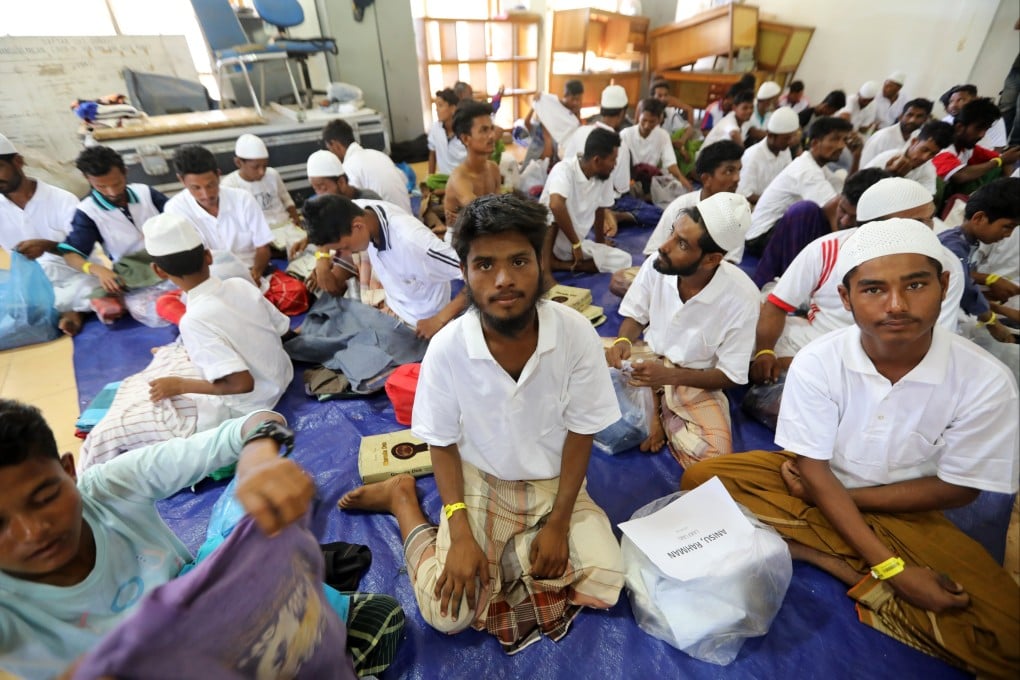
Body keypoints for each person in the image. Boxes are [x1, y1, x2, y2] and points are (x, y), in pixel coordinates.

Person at [682, 219, 1020, 678]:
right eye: (874, 290)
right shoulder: (819, 362)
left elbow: (957, 490)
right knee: (702, 478)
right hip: (819, 483)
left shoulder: (986, 381)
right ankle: (834, 560)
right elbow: (813, 468)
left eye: (915, 285)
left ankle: (815, 549)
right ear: (846, 299)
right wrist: (893, 569)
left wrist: (845, 502)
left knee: (1007, 640)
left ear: (943, 287)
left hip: (912, 508)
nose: (896, 305)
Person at [338, 194, 625, 654]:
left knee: (609, 579)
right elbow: (444, 445)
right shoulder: (449, 348)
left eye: (518, 261)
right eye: (485, 265)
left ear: (539, 263)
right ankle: (404, 503)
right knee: (447, 614)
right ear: (466, 273)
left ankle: (519, 550)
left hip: (554, 482)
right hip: (480, 481)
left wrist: (559, 521)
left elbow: (581, 432)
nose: (504, 279)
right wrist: (460, 529)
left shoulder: (574, 334)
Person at [0, 401, 405, 679]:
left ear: (68, 470)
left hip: (224, 623)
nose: (33, 531)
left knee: (383, 619)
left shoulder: (108, 489)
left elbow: (256, 422)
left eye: (46, 498)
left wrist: (258, 457)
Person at [78, 213, 293, 469]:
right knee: (168, 360)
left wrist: (180, 386)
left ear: (158, 270)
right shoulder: (239, 285)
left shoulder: (195, 319)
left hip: (252, 404)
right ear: (208, 256)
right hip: (281, 377)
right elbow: (281, 327)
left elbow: (242, 383)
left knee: (123, 418)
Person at [749, 177, 965, 388]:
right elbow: (778, 303)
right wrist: (765, 352)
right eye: (917, 223)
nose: (929, 229)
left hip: (899, 358)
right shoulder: (825, 250)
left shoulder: (945, 265)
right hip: (818, 342)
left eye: (929, 219)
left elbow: (934, 341)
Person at [608, 192, 758, 467]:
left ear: (711, 260)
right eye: (672, 234)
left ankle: (659, 412)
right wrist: (622, 342)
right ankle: (658, 409)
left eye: (682, 244)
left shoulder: (743, 297)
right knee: (571, 372)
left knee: (715, 461)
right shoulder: (659, 263)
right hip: (643, 359)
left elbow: (730, 375)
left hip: (692, 378)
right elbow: (635, 314)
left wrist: (668, 376)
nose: (664, 247)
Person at [302, 194, 466, 340]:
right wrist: (322, 259)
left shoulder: (414, 243)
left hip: (421, 323)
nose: (344, 253)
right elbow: (322, 221)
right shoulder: (354, 211)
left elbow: (479, 276)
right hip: (393, 307)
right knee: (318, 334)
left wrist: (440, 319)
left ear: (358, 226)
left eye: (344, 246)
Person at [0, 134, 93, 335]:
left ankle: (69, 312)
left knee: (96, 289)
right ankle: (70, 312)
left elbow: (84, 251)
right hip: (30, 284)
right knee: (17, 301)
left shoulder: (63, 200)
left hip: (74, 275)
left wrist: (49, 245)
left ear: (18, 162)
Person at [752, 168, 891, 289]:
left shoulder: (886, 239)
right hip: (793, 295)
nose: (844, 221)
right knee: (802, 211)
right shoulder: (814, 217)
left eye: (855, 217)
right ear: (838, 199)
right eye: (842, 210)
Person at [744, 116, 859, 258]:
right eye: (835, 139)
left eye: (844, 140)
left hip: (771, 231)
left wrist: (857, 156)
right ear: (815, 143)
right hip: (760, 237)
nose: (842, 146)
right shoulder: (806, 170)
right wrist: (844, 251)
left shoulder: (818, 168)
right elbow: (833, 207)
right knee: (816, 215)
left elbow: (846, 193)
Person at [163, 145, 273, 286]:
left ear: (218, 175)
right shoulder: (175, 209)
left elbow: (263, 246)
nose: (206, 195)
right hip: (208, 282)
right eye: (196, 188)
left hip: (251, 272)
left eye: (211, 185)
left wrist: (255, 274)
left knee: (295, 293)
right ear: (182, 180)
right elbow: (189, 265)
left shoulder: (243, 199)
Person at [937, 178, 1020, 361]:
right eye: (1007, 226)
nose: (1008, 234)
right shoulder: (953, 246)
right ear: (979, 218)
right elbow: (966, 288)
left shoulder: (968, 244)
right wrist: (992, 322)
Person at [538, 128, 630, 286]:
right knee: (553, 210)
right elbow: (555, 205)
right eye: (612, 160)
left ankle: (561, 265)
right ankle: (545, 270)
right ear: (596, 160)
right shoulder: (564, 169)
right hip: (548, 244)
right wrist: (576, 244)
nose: (615, 165)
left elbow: (600, 210)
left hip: (575, 244)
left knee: (624, 260)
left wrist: (600, 243)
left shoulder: (604, 176)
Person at [643, 140, 744, 256]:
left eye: (739, 170)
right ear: (706, 179)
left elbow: (729, 262)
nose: (737, 178)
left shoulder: (736, 217)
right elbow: (651, 253)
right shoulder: (681, 206)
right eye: (729, 171)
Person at [220, 133, 304, 258]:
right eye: (256, 167)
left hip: (285, 226)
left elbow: (286, 198)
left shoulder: (272, 174)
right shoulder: (230, 184)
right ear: (238, 163)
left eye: (265, 166)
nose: (262, 172)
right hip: (260, 235)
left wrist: (295, 219)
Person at [322, 119, 412, 213]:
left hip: (390, 223)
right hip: (409, 217)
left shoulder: (349, 166)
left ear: (336, 145)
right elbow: (404, 180)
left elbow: (353, 208)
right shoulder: (379, 154)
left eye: (329, 149)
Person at [933, 98, 1020, 194]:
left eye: (986, 129)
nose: (982, 135)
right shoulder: (942, 147)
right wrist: (999, 161)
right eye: (978, 128)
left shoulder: (967, 147)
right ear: (959, 127)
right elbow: (959, 175)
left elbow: (1005, 159)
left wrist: (1008, 185)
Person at [443, 100, 501, 241]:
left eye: (491, 128)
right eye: (484, 130)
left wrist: (469, 218)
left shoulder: (493, 168)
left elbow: (499, 209)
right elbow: (480, 214)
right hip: (460, 239)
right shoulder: (460, 177)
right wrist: (470, 219)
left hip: (486, 231)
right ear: (465, 139)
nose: (492, 136)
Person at [560, 85, 632, 198]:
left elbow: (566, 164)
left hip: (573, 194)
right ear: (622, 112)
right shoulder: (619, 145)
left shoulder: (580, 131)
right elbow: (621, 187)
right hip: (603, 201)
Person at [621, 98, 693, 192]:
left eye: (652, 122)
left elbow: (670, 163)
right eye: (644, 120)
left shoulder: (663, 135)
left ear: (660, 119)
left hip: (650, 181)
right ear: (639, 117)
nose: (647, 125)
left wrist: (683, 180)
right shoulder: (626, 134)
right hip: (627, 180)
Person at [865, 120, 953, 195]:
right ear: (914, 142)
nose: (925, 157)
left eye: (933, 154)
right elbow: (861, 185)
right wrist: (887, 175)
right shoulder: (887, 157)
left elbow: (923, 201)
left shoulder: (928, 171)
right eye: (924, 150)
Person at [737, 106, 800, 205]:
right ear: (771, 136)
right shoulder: (752, 156)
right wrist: (775, 201)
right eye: (787, 138)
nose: (791, 141)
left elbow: (788, 179)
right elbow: (746, 195)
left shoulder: (784, 150)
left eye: (792, 137)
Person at [860, 98, 933, 167]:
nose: (912, 120)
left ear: (925, 119)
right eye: (909, 115)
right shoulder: (883, 136)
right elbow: (864, 164)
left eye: (919, 116)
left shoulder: (918, 136)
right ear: (901, 116)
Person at [427, 88, 467, 176]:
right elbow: (432, 155)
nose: (437, 110)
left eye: (440, 105)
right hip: (444, 179)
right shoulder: (435, 128)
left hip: (463, 178)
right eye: (436, 106)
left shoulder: (465, 130)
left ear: (453, 109)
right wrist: (430, 178)